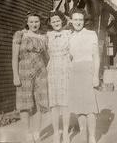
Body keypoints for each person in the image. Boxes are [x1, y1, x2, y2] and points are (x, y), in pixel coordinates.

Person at [12, 10, 49, 142]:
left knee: (40, 102)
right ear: (27, 23)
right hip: (24, 72)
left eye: (37, 21)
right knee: (25, 104)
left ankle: (37, 132)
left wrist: (44, 69)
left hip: (41, 72)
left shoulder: (44, 37)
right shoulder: (20, 35)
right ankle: (28, 133)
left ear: (40, 23)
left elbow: (47, 57)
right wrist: (15, 75)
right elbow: (14, 57)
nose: (34, 24)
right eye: (32, 22)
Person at [68, 8, 100, 143]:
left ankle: (92, 136)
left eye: (80, 19)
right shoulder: (69, 36)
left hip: (88, 69)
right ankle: (83, 135)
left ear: (84, 20)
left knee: (90, 106)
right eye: (75, 19)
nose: (78, 22)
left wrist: (96, 75)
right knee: (79, 107)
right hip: (75, 71)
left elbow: (96, 56)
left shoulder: (91, 34)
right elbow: (68, 57)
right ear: (71, 21)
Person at [46, 10, 72, 143]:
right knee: (54, 104)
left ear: (62, 20)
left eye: (58, 20)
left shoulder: (68, 33)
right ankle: (56, 133)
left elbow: (76, 23)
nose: (56, 23)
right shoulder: (48, 35)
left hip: (65, 69)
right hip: (53, 70)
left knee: (65, 103)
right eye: (53, 21)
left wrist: (67, 18)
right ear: (50, 23)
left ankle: (66, 132)